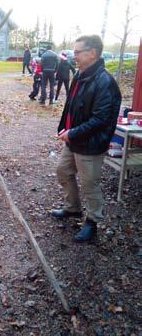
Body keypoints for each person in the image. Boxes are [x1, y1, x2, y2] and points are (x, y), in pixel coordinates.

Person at [51, 35, 121, 243]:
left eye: (78, 52)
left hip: (90, 143)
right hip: (74, 138)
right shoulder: (80, 75)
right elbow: (70, 104)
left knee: (90, 183)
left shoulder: (104, 81)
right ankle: (72, 208)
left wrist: (72, 133)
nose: (74, 56)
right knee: (63, 171)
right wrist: (64, 126)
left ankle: (92, 222)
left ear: (93, 53)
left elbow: (100, 119)